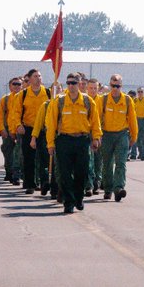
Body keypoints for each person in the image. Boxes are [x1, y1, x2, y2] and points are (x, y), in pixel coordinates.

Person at [46, 73, 102, 214]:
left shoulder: (88, 101)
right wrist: (50, 143)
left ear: (80, 84)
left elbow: (95, 122)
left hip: (82, 140)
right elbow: (51, 123)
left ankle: (78, 197)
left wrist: (96, 138)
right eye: (69, 83)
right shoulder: (59, 101)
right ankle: (69, 202)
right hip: (64, 140)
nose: (71, 86)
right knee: (64, 173)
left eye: (74, 83)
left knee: (81, 172)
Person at [10, 68, 51, 195]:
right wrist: (18, 125)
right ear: (29, 79)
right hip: (28, 129)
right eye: (35, 76)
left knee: (45, 157)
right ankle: (30, 184)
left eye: (39, 76)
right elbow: (16, 112)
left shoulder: (48, 93)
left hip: (44, 129)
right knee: (29, 158)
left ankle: (44, 183)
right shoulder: (23, 94)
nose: (38, 78)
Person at [97, 74, 137, 201]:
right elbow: (97, 119)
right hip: (107, 135)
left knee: (121, 163)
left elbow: (132, 119)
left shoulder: (127, 100)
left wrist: (134, 136)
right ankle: (108, 189)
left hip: (121, 135)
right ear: (110, 85)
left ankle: (118, 188)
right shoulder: (102, 100)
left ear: (121, 86)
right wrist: (97, 136)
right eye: (113, 85)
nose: (115, 88)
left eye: (118, 86)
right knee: (107, 164)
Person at [0, 77, 23, 185]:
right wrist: (1, 129)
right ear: (10, 86)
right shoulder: (5, 99)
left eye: (19, 84)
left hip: (20, 128)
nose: (17, 86)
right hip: (7, 129)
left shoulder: (23, 97)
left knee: (19, 153)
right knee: (8, 152)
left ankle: (17, 174)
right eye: (14, 84)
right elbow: (0, 116)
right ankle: (9, 171)